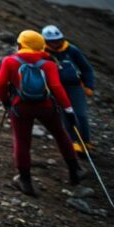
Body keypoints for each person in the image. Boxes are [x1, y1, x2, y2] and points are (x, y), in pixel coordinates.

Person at [0, 30, 85, 196]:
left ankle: (25, 181)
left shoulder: (10, 61)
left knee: (22, 141)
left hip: (20, 107)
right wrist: (68, 110)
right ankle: (74, 170)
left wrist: (6, 102)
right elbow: (57, 87)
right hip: (46, 106)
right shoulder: (48, 63)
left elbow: (0, 84)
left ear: (21, 44)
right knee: (61, 134)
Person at [43, 25, 96, 153]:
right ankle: (73, 142)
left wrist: (89, 85)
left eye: (58, 40)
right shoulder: (43, 52)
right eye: (52, 41)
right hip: (55, 88)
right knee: (66, 115)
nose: (56, 43)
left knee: (81, 115)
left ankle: (86, 142)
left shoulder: (71, 50)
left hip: (75, 87)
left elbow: (86, 68)